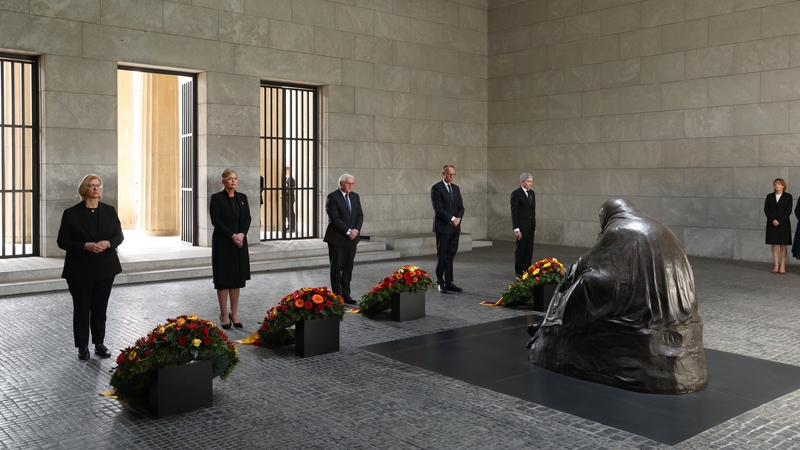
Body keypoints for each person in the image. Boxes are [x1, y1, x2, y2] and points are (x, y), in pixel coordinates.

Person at [57, 174, 124, 361]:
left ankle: (99, 343)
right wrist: (84, 246)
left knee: (100, 307)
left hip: (105, 268)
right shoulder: (71, 213)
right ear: (84, 189)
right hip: (80, 270)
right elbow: (62, 241)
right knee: (82, 308)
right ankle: (82, 346)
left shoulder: (109, 211)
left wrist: (108, 243)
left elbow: (119, 235)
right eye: (92, 185)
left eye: (98, 185)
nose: (96, 189)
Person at [210, 168, 251, 329]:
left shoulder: (243, 197)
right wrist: (233, 236)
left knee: (236, 279)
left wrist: (241, 234)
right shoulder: (217, 198)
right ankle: (223, 314)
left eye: (235, 178)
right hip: (223, 242)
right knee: (223, 279)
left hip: (240, 242)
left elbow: (247, 218)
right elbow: (216, 221)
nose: (233, 181)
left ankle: (234, 314)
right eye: (229, 178)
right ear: (223, 182)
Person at [323, 173, 363, 305]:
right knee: (336, 269)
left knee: (348, 268)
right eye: (348, 183)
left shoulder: (355, 196)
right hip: (337, 238)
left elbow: (360, 215)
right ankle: (337, 297)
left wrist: (355, 230)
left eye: (352, 183)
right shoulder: (332, 197)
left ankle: (347, 296)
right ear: (341, 184)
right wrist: (347, 231)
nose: (351, 186)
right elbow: (334, 218)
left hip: (352, 240)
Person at [430, 165, 465, 294]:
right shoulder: (436, 188)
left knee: (450, 255)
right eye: (449, 174)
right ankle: (440, 282)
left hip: (455, 227)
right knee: (442, 255)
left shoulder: (456, 188)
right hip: (443, 227)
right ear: (443, 174)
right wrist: (452, 219)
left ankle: (449, 282)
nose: (451, 176)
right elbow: (438, 209)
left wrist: (458, 219)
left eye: (453, 174)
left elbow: (461, 207)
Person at [764, 178, 793, 275]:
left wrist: (779, 221)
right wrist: (773, 220)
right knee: (774, 244)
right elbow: (766, 209)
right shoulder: (769, 196)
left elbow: (788, 210)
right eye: (775, 184)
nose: (776, 185)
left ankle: (783, 265)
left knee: (783, 244)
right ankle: (776, 265)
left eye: (778, 184)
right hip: (772, 223)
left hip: (783, 223)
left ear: (783, 186)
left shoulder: (788, 197)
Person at [511, 173, 536, 279]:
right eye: (529, 181)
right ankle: (519, 273)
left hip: (530, 227)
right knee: (520, 250)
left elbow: (532, 211)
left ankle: (527, 270)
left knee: (529, 250)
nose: (531, 184)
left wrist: (534, 227)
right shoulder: (516, 194)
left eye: (531, 182)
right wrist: (516, 229)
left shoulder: (532, 193)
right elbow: (514, 213)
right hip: (521, 227)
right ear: (522, 181)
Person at [283, 166, 296, 233]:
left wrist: (284, 193)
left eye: (286, 170)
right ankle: (289, 225)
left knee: (290, 213)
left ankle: (292, 227)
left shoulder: (291, 179)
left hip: (289, 199)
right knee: (287, 213)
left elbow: (290, 190)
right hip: (286, 199)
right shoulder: (286, 179)